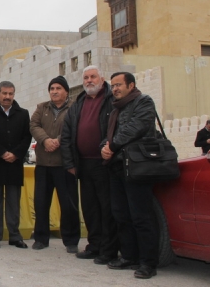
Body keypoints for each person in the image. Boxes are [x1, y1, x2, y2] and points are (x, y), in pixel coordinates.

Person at [101, 72, 159, 279]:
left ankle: (148, 262)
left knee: (141, 216)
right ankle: (129, 256)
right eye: (113, 85)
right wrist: (103, 148)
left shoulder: (143, 102)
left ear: (131, 85)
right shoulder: (115, 108)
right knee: (121, 215)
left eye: (119, 85)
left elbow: (135, 128)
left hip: (137, 167)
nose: (115, 89)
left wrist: (112, 146)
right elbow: (107, 135)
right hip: (117, 166)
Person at [61, 66, 118, 264]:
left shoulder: (111, 101)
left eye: (93, 76)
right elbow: (66, 135)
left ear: (102, 79)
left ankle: (108, 250)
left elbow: (117, 129)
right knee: (90, 208)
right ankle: (94, 245)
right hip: (83, 165)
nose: (89, 80)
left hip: (105, 164)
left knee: (106, 208)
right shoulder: (78, 104)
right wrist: (70, 163)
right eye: (86, 77)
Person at [29, 75, 80, 253]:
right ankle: (41, 239)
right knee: (41, 203)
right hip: (43, 164)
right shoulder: (41, 107)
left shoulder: (74, 108)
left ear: (66, 91)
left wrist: (58, 140)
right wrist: (45, 140)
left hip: (64, 164)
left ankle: (71, 240)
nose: (55, 91)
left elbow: (75, 127)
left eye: (58, 88)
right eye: (52, 88)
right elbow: (34, 125)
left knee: (68, 204)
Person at [0, 81, 31, 249]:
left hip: (14, 164)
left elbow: (27, 137)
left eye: (10, 94)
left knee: (13, 203)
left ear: (14, 95)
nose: (7, 97)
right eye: (4, 93)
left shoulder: (23, 114)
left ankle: (14, 236)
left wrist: (15, 154)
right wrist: (2, 152)